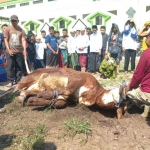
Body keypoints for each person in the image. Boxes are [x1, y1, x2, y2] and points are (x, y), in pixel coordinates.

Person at [126, 31, 150, 118]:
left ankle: (146, 106)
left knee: (129, 94)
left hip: (148, 92)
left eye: (147, 37)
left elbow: (138, 76)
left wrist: (130, 86)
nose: (146, 39)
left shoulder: (146, 53)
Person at [4, 15, 26, 87]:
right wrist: (8, 49)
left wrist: (24, 49)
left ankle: (18, 80)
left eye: (15, 21)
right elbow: (6, 40)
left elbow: (23, 40)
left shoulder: (21, 30)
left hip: (19, 51)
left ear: (18, 21)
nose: (13, 22)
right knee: (10, 66)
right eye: (12, 21)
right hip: (10, 51)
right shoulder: (7, 29)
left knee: (19, 66)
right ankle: (10, 81)